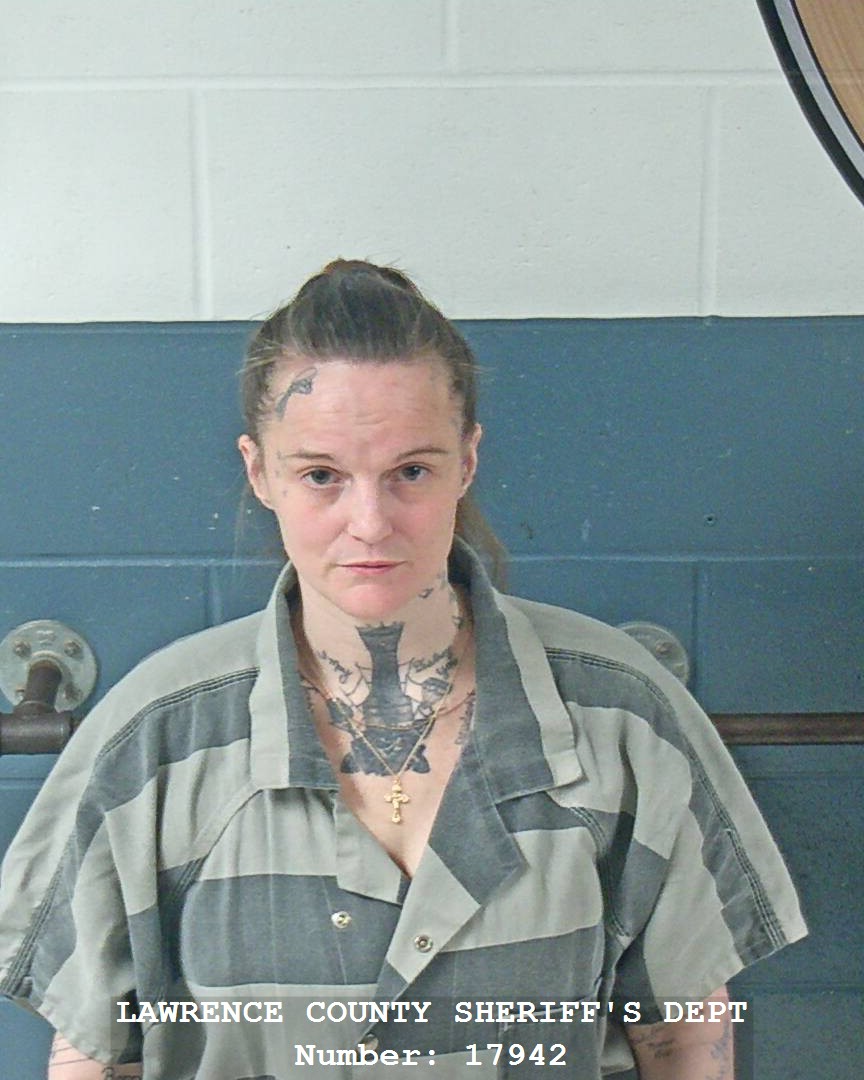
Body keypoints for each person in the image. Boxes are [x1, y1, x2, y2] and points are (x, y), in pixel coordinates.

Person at [0, 260, 806, 1079]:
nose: (370, 522)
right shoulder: (154, 739)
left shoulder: (623, 716)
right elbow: (96, 1053)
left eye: (410, 472)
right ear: (260, 473)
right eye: (321, 475)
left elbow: (681, 1040)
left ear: (467, 461)